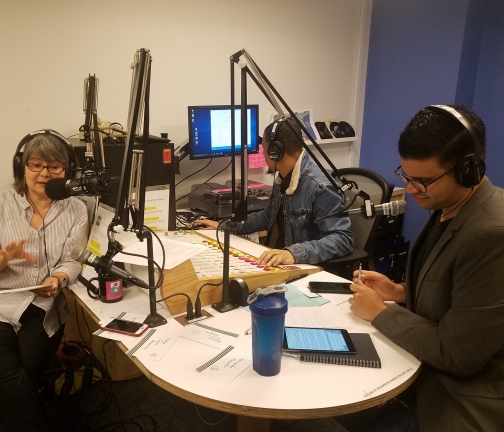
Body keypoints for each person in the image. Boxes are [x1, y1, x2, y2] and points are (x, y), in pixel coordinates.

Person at [347, 105, 504, 432]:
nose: (412, 188)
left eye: (423, 181)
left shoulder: (491, 235)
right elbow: (458, 293)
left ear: (468, 170)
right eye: (407, 176)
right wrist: (401, 292)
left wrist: (381, 312)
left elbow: (457, 354)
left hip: (462, 397)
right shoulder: (450, 204)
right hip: (424, 367)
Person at [0, 130, 89, 432]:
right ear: (22, 167)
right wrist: (2, 257)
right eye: (36, 165)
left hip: (41, 308)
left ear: (66, 170)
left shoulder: (76, 209)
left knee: (24, 370)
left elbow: (74, 259)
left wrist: (58, 278)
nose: (44, 173)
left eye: (54, 166)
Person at [191, 118, 353, 266]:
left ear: (275, 152)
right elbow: (267, 216)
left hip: (304, 268)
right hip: (277, 260)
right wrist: (223, 225)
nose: (263, 154)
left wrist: (293, 253)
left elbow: (342, 239)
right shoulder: (282, 179)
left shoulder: (321, 186)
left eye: (265, 150)